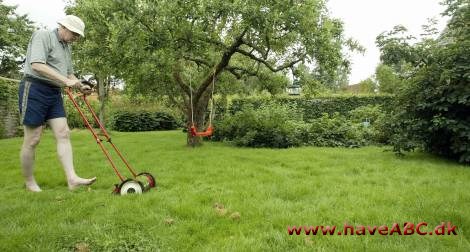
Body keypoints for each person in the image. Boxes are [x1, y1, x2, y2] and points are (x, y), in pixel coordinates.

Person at [18, 15, 96, 192]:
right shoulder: (43, 35)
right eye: (75, 34)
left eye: (78, 36)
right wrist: (65, 81)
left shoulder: (66, 47)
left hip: (54, 92)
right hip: (34, 88)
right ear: (64, 27)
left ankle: (72, 179)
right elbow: (37, 64)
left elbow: (69, 75)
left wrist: (80, 85)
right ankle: (29, 182)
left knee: (63, 132)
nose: (76, 39)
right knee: (33, 138)